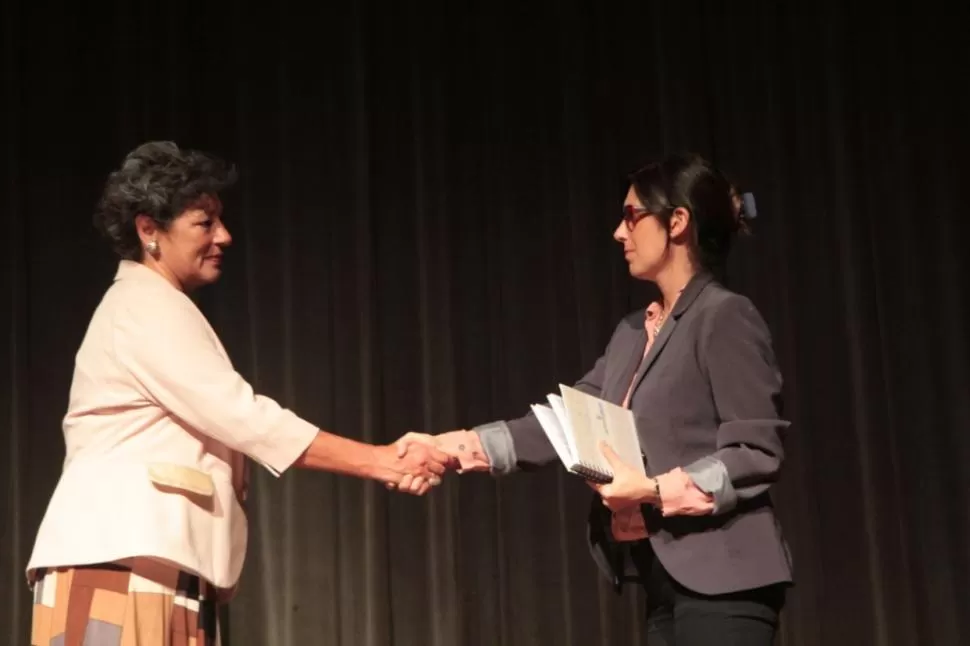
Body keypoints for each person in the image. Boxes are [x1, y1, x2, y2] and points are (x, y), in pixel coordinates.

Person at [25, 141, 451, 646]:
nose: (224, 236)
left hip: (151, 562)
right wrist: (380, 460)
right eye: (204, 223)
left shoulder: (156, 303)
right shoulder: (142, 304)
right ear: (148, 230)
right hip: (119, 562)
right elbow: (243, 418)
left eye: (220, 221)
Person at [398, 153, 793, 645]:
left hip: (727, 581)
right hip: (663, 582)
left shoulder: (724, 317)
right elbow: (564, 424)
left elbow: (755, 452)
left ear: (677, 222)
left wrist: (653, 490)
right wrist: (451, 448)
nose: (618, 233)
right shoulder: (632, 334)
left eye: (631, 216)